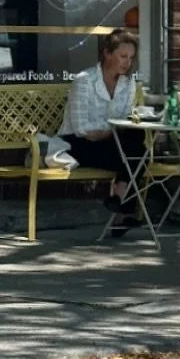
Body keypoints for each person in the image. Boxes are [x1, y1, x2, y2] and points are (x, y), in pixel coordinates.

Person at [62, 31, 143, 235]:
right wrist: (112, 130)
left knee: (137, 144)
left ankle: (120, 197)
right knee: (138, 152)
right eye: (123, 56)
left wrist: (109, 131)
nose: (127, 63)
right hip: (77, 144)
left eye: (131, 58)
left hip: (112, 144)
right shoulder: (85, 80)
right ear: (107, 53)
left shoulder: (128, 83)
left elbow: (126, 121)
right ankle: (123, 210)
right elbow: (82, 128)